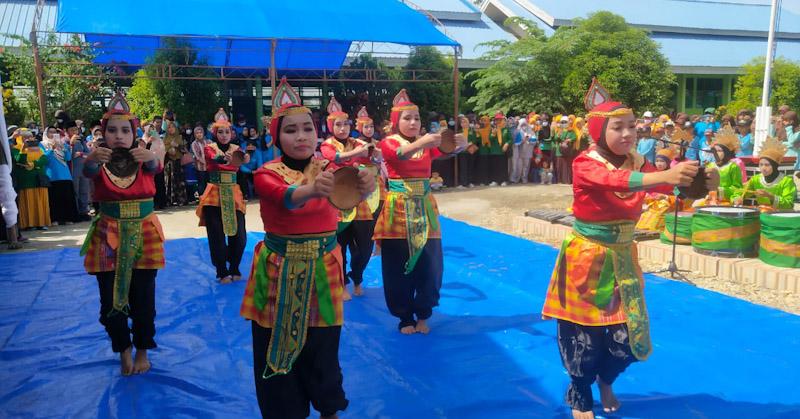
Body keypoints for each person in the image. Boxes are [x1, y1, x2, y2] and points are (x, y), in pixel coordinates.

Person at [541, 101, 719, 419]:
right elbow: (618, 182)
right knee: (584, 338)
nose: (628, 133)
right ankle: (580, 394)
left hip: (624, 258)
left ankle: (605, 379)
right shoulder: (585, 163)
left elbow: (668, 188)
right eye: (618, 127)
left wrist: (701, 184)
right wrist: (665, 173)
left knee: (629, 339)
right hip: (587, 257)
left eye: (632, 125)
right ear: (599, 131)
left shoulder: (637, 160)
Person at [240, 77, 374, 418]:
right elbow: (288, 197)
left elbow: (351, 197)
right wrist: (315, 189)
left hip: (323, 267)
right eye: (290, 130)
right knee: (273, 344)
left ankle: (329, 409)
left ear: (317, 133)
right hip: (277, 269)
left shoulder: (333, 169)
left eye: (307, 129)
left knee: (324, 346)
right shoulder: (265, 173)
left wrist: (367, 184)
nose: (300, 136)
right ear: (276, 136)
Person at [80, 91, 164, 376]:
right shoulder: (98, 158)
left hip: (144, 232)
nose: (119, 136)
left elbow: (155, 167)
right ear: (104, 133)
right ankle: (123, 349)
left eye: (125, 130)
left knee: (143, 297)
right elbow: (88, 171)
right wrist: (91, 158)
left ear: (134, 133)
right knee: (110, 300)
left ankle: (141, 350)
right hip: (107, 233)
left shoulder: (144, 158)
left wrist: (151, 156)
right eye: (112, 130)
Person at [373, 89, 467, 335]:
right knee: (397, 265)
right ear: (396, 122)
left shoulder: (426, 143)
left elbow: (445, 150)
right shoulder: (389, 142)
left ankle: (424, 312)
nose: (414, 122)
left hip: (425, 207)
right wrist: (424, 141)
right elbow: (399, 156)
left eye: (416, 118)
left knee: (431, 264)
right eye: (407, 118)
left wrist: (460, 145)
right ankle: (404, 316)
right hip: (398, 208)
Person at [320, 99, 378, 300]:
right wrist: (358, 152)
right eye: (338, 124)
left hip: (359, 198)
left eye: (345, 124)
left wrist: (375, 152)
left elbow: (374, 153)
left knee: (365, 247)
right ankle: (343, 283)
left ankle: (358, 276)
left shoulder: (358, 142)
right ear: (331, 127)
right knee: (341, 246)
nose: (342, 128)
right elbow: (336, 158)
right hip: (337, 200)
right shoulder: (327, 145)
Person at [196, 108, 250, 283]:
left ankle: (234, 266)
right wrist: (229, 159)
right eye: (220, 132)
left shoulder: (237, 149)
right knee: (216, 235)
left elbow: (241, 162)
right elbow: (215, 158)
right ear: (215, 133)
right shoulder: (209, 148)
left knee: (240, 236)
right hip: (214, 194)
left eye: (227, 131)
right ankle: (222, 270)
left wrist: (243, 158)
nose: (224, 135)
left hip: (233, 193)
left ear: (232, 133)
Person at [733, 137, 796, 209]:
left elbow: (788, 204)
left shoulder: (786, 181)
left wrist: (770, 196)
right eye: (761, 165)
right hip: (762, 214)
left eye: (767, 165)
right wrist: (737, 198)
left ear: (774, 166)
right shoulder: (755, 179)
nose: (763, 168)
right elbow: (741, 191)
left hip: (780, 216)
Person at [11, 130, 50, 230]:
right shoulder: (15, 149)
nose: (28, 139)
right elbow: (19, 160)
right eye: (25, 137)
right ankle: (29, 224)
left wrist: (33, 164)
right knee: (28, 202)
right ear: (19, 138)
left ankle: (42, 223)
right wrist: (23, 149)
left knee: (41, 202)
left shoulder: (38, 148)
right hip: (26, 180)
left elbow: (44, 159)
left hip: (39, 178)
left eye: (30, 137)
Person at [42, 126, 80, 224]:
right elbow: (44, 159)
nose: (53, 134)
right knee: (55, 200)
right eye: (50, 132)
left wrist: (64, 148)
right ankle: (55, 219)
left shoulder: (62, 144)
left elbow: (68, 158)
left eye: (55, 132)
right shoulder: (42, 144)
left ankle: (68, 218)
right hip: (52, 176)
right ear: (46, 134)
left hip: (65, 175)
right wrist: (52, 149)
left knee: (67, 198)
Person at [705, 126, 743, 205]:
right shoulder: (710, 166)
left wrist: (720, 190)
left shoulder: (733, 167)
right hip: (709, 200)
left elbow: (737, 188)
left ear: (726, 152)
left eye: (719, 150)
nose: (716, 153)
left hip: (725, 201)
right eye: (714, 150)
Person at [162, 121, 189, 206]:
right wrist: (168, 150)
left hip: (178, 162)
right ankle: (169, 200)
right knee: (169, 181)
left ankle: (181, 199)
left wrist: (176, 145)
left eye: (172, 127)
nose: (171, 129)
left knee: (179, 180)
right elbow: (161, 150)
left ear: (176, 128)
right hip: (168, 162)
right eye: (169, 127)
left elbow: (185, 150)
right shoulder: (165, 138)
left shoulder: (180, 137)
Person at [71, 130, 92, 220]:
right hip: (73, 170)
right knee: (75, 191)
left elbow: (89, 154)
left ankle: (84, 211)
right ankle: (76, 212)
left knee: (84, 191)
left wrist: (81, 154)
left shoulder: (82, 142)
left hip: (83, 170)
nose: (75, 132)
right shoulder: (66, 141)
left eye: (76, 130)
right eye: (73, 130)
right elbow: (68, 155)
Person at [489, 112, 512, 186]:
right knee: (495, 166)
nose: (498, 121)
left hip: (502, 151)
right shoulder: (493, 129)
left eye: (499, 119)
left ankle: (503, 180)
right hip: (494, 151)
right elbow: (489, 140)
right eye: (496, 120)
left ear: (502, 120)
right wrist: (493, 134)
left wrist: (507, 144)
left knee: (503, 166)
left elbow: (510, 139)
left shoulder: (506, 129)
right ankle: (495, 180)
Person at [511, 118, 536, 184]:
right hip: (519, 152)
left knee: (526, 166)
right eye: (522, 125)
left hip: (528, 152)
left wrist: (529, 140)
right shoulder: (518, 131)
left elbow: (534, 140)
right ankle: (517, 179)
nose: (523, 126)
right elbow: (516, 142)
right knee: (519, 166)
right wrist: (522, 141)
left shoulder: (531, 131)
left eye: (524, 124)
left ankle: (524, 178)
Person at [554, 115, 576, 184]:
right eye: (562, 122)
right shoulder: (559, 130)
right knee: (559, 166)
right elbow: (555, 139)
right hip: (559, 151)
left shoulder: (571, 131)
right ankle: (560, 180)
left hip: (567, 151)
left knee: (567, 167)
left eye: (565, 122)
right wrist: (558, 135)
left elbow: (574, 137)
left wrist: (569, 140)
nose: (564, 124)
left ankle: (567, 181)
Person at [191, 126, 211, 199]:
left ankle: (209, 198)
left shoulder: (208, 142)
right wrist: (204, 162)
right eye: (197, 133)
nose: (199, 134)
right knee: (201, 183)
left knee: (209, 183)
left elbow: (212, 151)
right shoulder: (194, 144)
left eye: (200, 132)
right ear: (195, 134)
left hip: (209, 167)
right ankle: (202, 199)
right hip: (200, 167)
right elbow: (197, 156)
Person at [475, 115, 491, 186]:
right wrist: (477, 133)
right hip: (481, 151)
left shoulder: (491, 129)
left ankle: (488, 180)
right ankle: (482, 180)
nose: (483, 122)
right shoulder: (479, 130)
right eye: (482, 120)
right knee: (481, 166)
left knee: (489, 166)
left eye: (485, 120)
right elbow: (477, 141)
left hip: (489, 150)